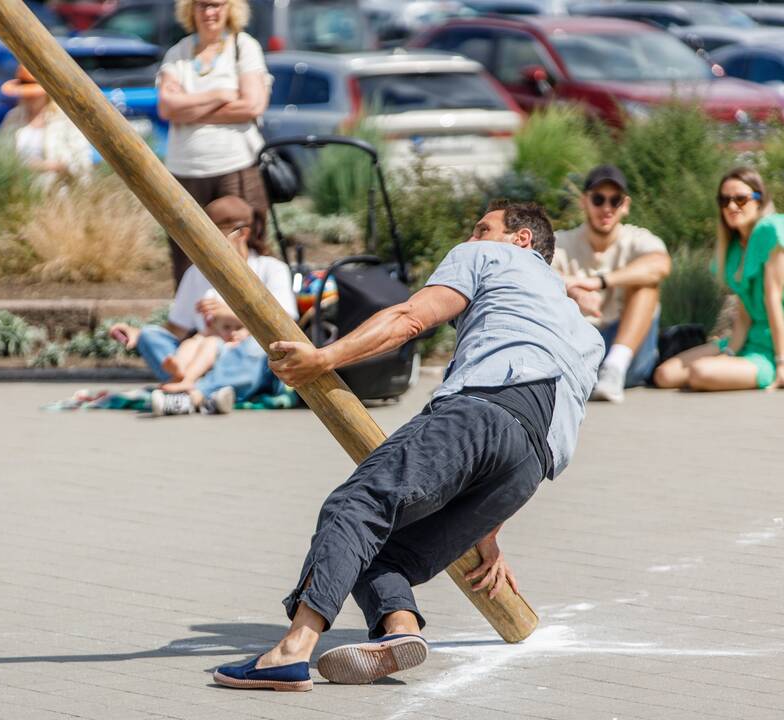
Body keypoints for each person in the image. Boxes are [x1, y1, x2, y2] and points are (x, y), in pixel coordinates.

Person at [211, 201, 603, 691]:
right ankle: (400, 630)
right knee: (382, 554)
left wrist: (322, 357)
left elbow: (410, 317)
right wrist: (488, 528)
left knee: (356, 507)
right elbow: (544, 422)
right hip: (527, 467)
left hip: (483, 407)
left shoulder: (487, 256)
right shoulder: (582, 331)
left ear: (521, 239)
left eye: (483, 227)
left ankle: (292, 652)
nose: (473, 235)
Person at [109, 195, 296, 415]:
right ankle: (207, 391)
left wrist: (232, 314)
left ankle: (191, 394)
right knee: (150, 335)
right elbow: (176, 328)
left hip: (241, 355)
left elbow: (285, 321)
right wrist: (135, 333)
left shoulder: (271, 268)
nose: (204, 243)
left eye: (213, 235)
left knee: (257, 350)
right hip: (200, 357)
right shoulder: (197, 272)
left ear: (242, 234)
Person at [157, 0, 271, 287]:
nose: (209, 13)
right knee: (188, 254)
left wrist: (189, 111)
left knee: (246, 250)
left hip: (235, 166)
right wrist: (221, 93)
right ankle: (191, 325)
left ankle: (253, 325)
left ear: (230, 7)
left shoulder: (243, 46)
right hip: (185, 171)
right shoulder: (178, 53)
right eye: (202, 5)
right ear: (190, 10)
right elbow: (167, 107)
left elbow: (253, 104)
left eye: (216, 5)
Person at [653, 167, 784, 392]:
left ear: (759, 200)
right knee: (664, 375)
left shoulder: (769, 229)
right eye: (725, 200)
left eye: (741, 199)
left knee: (700, 373)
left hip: (773, 349)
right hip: (746, 341)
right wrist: (729, 352)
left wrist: (781, 361)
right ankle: (732, 368)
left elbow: (773, 300)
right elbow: (744, 316)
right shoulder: (733, 250)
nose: (732, 206)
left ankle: (763, 370)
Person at [552, 165, 671, 403]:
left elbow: (660, 265)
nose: (606, 208)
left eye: (614, 200)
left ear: (625, 205)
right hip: (580, 350)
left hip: (630, 359)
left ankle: (614, 368)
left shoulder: (637, 238)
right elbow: (534, 272)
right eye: (598, 199)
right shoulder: (562, 241)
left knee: (647, 285)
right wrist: (575, 290)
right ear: (584, 202)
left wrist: (599, 282)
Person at [0, 65, 92, 191]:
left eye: (33, 93)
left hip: (59, 191)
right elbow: (2, 155)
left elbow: (82, 161)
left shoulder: (65, 120)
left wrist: (48, 166)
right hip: (21, 191)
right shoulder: (12, 118)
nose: (29, 97)